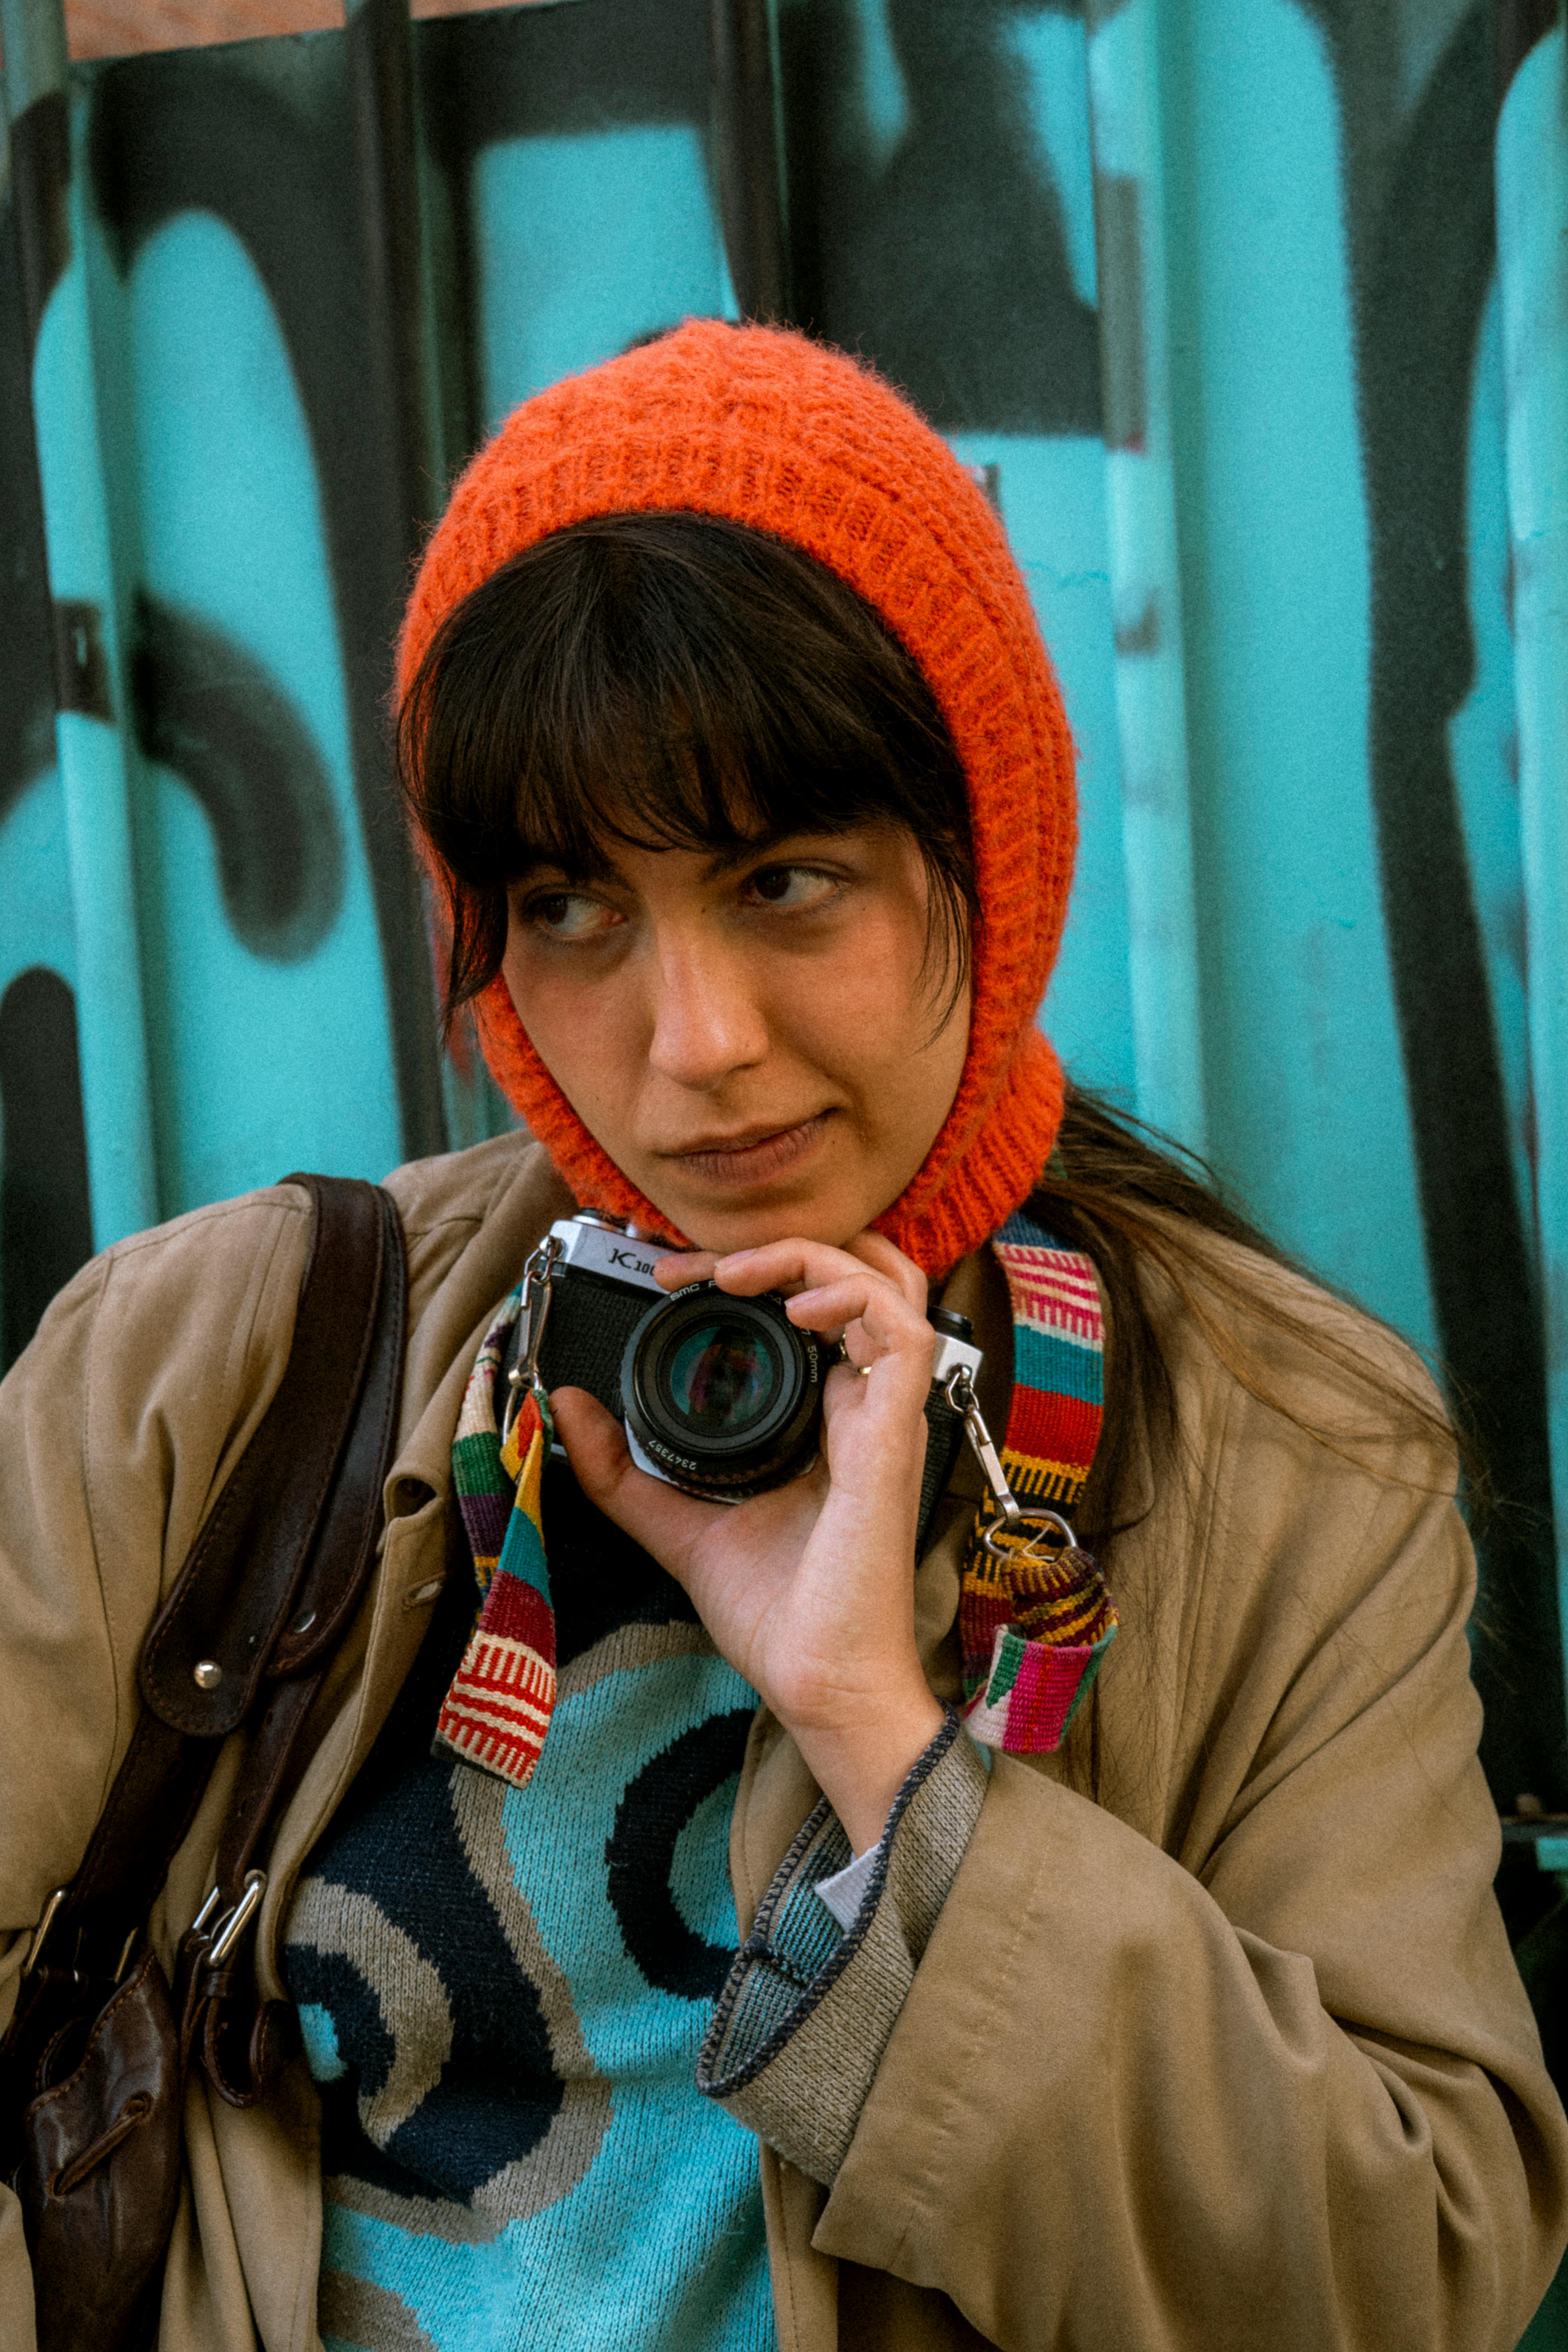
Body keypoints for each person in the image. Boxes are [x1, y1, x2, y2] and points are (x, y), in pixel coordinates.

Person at [1, 319, 1565, 2352]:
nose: (698, 1044)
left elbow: (1406, 2271)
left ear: (988, 864)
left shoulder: (1289, 1461)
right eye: (571, 905)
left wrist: (881, 1743)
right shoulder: (213, 1370)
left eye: (786, 880)